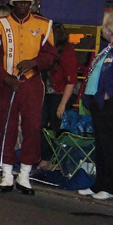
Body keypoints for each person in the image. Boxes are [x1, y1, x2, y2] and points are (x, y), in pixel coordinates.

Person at [0, 0, 56, 195]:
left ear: (31, 4)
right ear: (12, 3)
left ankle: (24, 175)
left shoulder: (44, 24)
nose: (23, 6)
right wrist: (6, 78)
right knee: (7, 127)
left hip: (32, 83)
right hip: (5, 84)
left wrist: (35, 62)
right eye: (19, 2)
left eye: (26, 2)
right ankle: (6, 174)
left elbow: (51, 55)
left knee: (33, 127)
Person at [82, 11, 113, 199]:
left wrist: (109, 93)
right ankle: (100, 183)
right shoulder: (108, 47)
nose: (102, 29)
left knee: (112, 145)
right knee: (101, 145)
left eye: (105, 25)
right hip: (98, 103)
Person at [38, 22, 77, 170]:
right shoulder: (47, 51)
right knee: (41, 126)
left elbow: (71, 80)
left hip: (59, 94)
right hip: (47, 94)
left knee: (56, 127)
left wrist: (62, 104)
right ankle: (45, 157)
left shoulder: (67, 52)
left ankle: (56, 160)